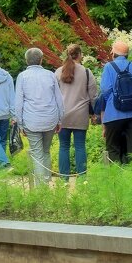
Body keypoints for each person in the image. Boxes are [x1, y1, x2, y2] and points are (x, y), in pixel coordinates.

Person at [15, 47, 64, 184]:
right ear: (41, 60)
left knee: (37, 153)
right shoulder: (50, 75)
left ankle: (40, 188)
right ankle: (46, 182)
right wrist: (60, 119)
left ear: (26, 61)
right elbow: (59, 99)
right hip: (50, 119)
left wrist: (20, 124)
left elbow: (18, 103)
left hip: (31, 120)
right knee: (46, 151)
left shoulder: (22, 77)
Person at [97, 40, 132, 164]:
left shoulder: (109, 67)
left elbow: (105, 90)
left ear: (113, 53)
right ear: (127, 54)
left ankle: (115, 180)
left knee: (113, 150)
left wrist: (113, 101)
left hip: (114, 115)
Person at [54, 44, 98, 178]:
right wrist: (95, 113)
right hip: (80, 115)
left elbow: (53, 95)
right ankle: (82, 178)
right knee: (80, 146)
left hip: (62, 116)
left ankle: (63, 179)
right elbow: (93, 96)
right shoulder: (86, 72)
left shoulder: (58, 72)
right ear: (79, 55)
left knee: (63, 147)